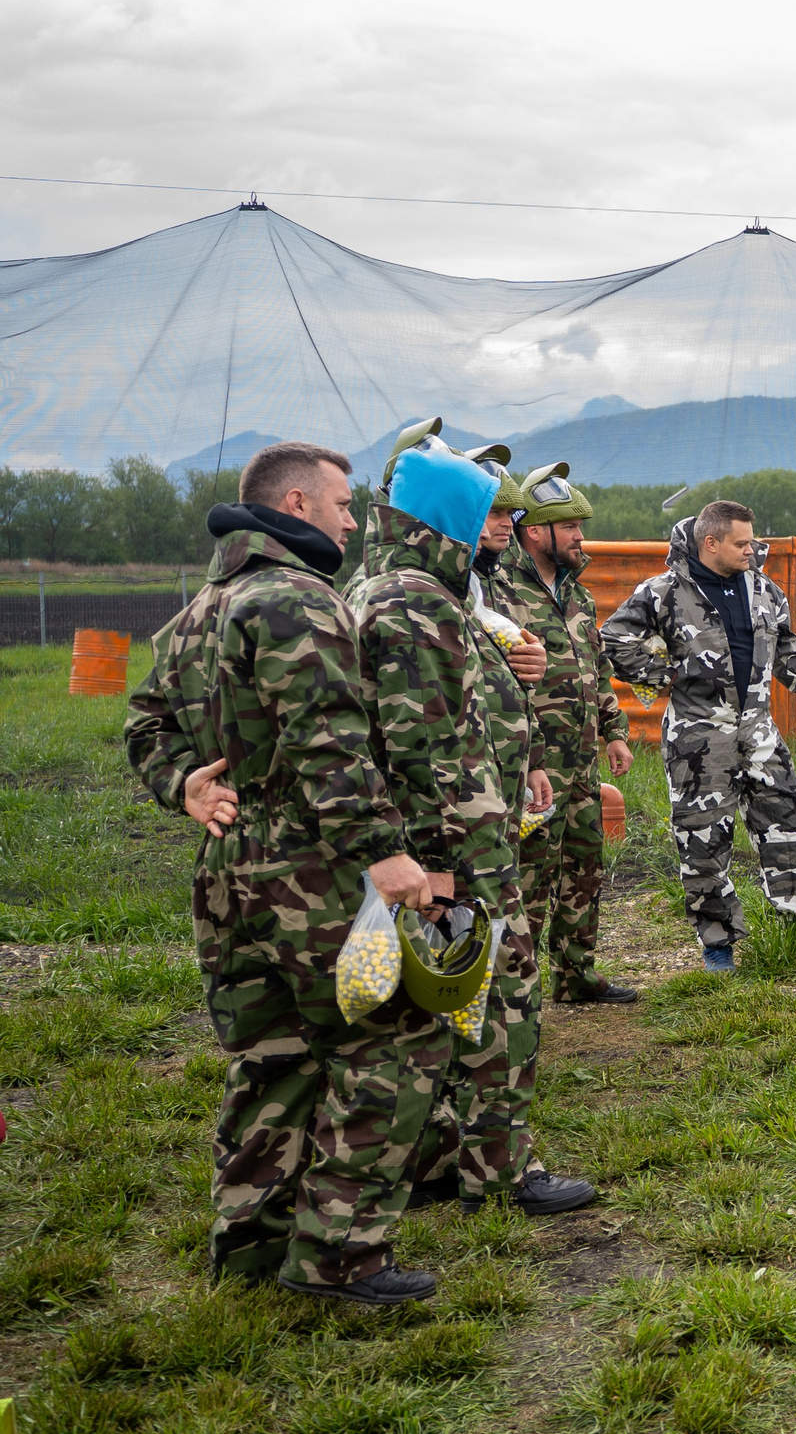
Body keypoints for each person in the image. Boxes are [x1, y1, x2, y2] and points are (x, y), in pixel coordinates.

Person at [125, 441, 443, 1302]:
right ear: (296, 505)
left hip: (228, 870)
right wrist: (384, 851)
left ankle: (253, 1246)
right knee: (396, 1040)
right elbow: (326, 739)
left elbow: (145, 724)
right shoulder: (294, 599)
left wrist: (182, 783)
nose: (352, 519)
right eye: (343, 505)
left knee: (271, 1056)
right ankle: (340, 1255)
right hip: (313, 867)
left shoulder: (199, 609)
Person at [409, 451, 597, 1217]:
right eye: (490, 514)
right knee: (490, 998)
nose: (505, 528)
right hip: (458, 842)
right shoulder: (413, 602)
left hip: (491, 812)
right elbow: (412, 737)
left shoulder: (464, 595)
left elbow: (480, 704)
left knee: (459, 998)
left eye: (510, 516)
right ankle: (494, 1170)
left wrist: (528, 762)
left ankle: (445, 1154)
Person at [600, 500, 796, 968]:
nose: (751, 550)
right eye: (741, 543)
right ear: (711, 542)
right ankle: (718, 944)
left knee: (788, 827)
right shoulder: (663, 592)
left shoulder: (764, 590)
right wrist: (670, 674)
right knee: (702, 840)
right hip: (698, 738)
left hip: (759, 730)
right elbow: (614, 640)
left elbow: (788, 651)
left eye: (752, 541)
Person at [502, 464, 640, 1005]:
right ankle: (520, 989)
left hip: (580, 765)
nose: (582, 537)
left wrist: (615, 731)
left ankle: (576, 975)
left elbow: (595, 669)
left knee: (584, 870)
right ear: (536, 531)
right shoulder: (498, 593)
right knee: (531, 878)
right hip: (532, 767)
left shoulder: (577, 596)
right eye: (573, 527)